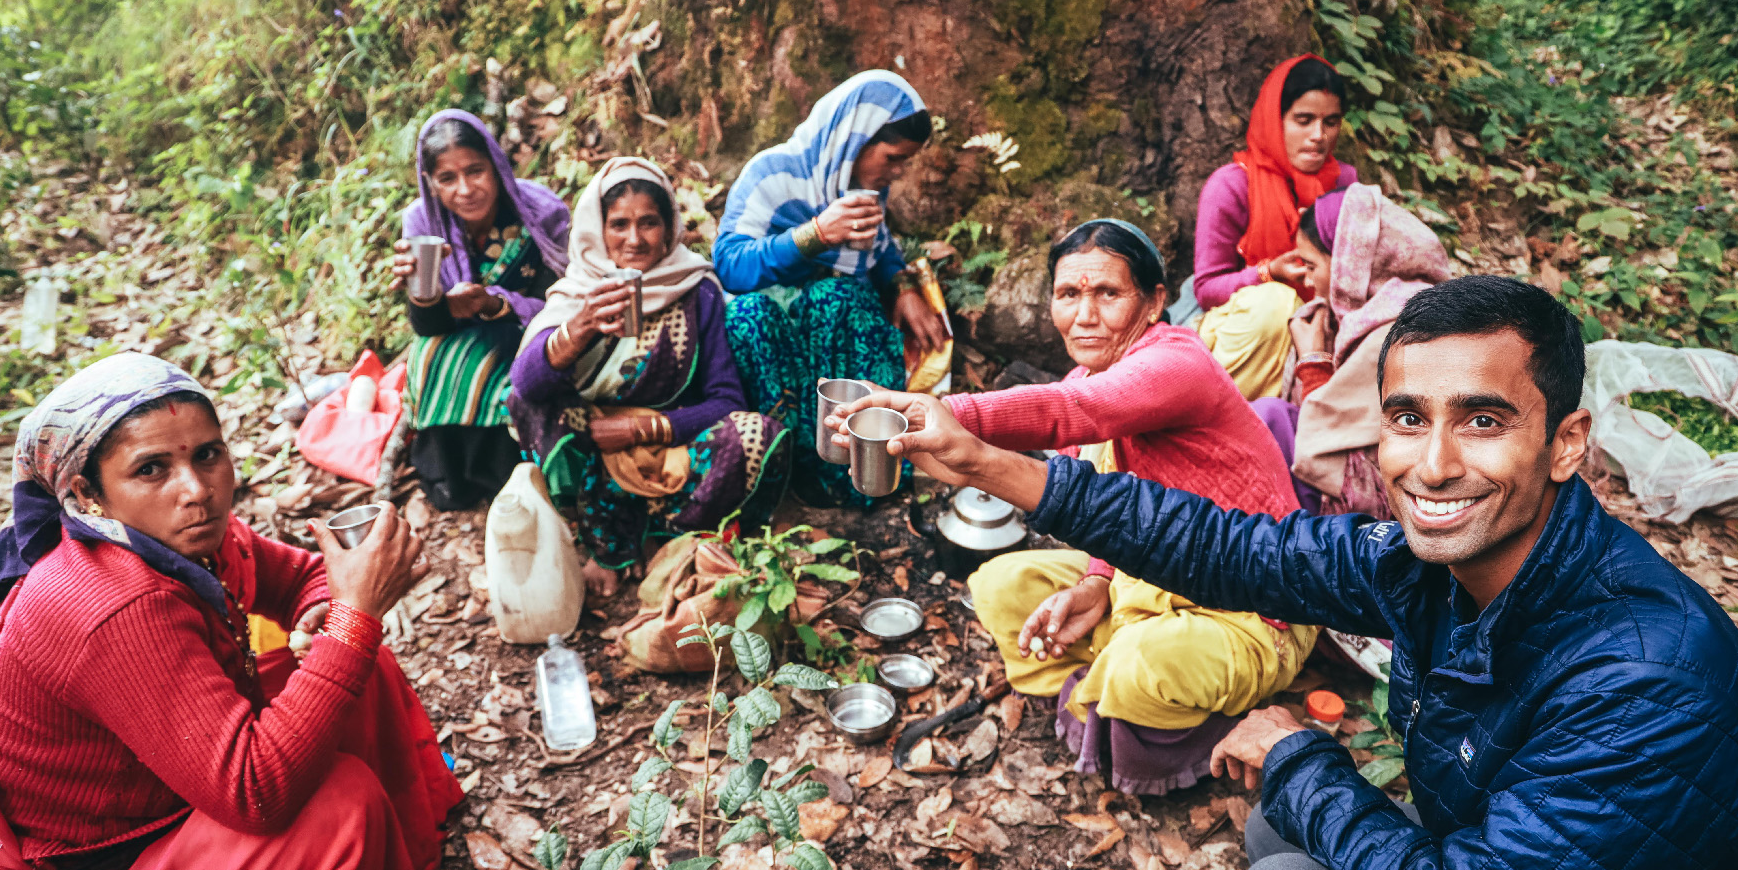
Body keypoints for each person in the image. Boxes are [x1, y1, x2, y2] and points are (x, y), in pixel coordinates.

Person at [830, 276, 1738, 870]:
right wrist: (980, 459)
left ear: (1567, 443)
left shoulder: (1648, 680)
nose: (1435, 463)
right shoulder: (1440, 567)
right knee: (1285, 827)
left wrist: (1301, 754)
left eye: (1484, 421)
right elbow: (1228, 547)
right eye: (1409, 419)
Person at [0, 354, 461, 870]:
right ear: (87, 495)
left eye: (208, 455)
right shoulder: (112, 600)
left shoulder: (180, 541)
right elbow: (256, 792)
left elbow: (301, 577)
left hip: (157, 818)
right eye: (151, 469)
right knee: (337, 803)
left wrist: (329, 617)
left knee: (350, 669)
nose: (197, 491)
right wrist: (353, 618)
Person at [951, 220, 1318, 794]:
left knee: (1138, 664)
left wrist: (938, 415)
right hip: (1141, 582)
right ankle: (1110, 692)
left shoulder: (1177, 362)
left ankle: (1164, 718)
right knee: (1000, 585)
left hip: (1248, 609)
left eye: (1108, 294)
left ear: (1154, 303)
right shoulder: (1087, 379)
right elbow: (1112, 516)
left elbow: (1071, 409)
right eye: (1068, 294)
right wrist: (1096, 584)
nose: (1085, 315)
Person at [507, 157, 789, 598]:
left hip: (668, 448)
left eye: (649, 223)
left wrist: (645, 427)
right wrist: (578, 330)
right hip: (594, 449)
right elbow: (526, 386)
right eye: (618, 224)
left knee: (756, 434)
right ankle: (606, 544)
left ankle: (668, 535)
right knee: (530, 404)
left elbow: (726, 399)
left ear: (670, 227)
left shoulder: (696, 290)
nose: (634, 239)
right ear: (596, 230)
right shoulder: (576, 294)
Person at [716, 70, 947, 506]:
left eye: (904, 162)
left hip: (826, 329)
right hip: (773, 331)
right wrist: (816, 234)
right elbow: (730, 266)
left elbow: (878, 249)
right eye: (893, 157)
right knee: (750, 318)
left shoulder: (864, 190)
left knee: (839, 298)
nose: (896, 173)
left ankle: (863, 470)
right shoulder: (772, 175)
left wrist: (902, 286)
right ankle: (787, 470)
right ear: (854, 138)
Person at [390, 109, 571, 510]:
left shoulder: (540, 211)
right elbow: (426, 326)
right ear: (431, 184)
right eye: (448, 178)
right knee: (428, 358)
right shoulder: (421, 221)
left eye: (475, 171)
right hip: (457, 331)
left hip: (532, 328)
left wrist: (494, 303)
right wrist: (427, 296)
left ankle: (513, 471)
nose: (466, 189)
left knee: (500, 371)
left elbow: (563, 297)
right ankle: (453, 475)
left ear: (496, 166)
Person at [1273, 182, 1452, 517]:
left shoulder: (1399, 328)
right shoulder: (1358, 315)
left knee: (1270, 420)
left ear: (1345, 264)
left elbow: (1327, 439)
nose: (1307, 283)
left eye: (1311, 267)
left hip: (1397, 494)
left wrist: (1313, 362)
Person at [1182, 55, 1354, 401]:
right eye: (1303, 121)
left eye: (1330, 122)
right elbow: (1207, 288)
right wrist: (1269, 272)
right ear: (1275, 121)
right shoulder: (1231, 186)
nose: (1318, 136)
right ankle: (1217, 412)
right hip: (1245, 335)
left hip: (1320, 326)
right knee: (1278, 303)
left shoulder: (1343, 183)